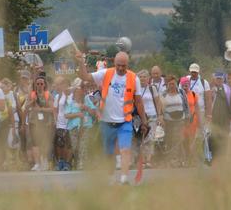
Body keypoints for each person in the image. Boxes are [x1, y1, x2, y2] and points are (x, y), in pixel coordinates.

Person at [76, 51, 148, 185]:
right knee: (109, 153)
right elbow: (85, 76)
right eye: (118, 65)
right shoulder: (106, 74)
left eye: (124, 66)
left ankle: (124, 179)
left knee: (125, 149)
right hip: (106, 121)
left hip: (125, 121)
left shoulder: (134, 78)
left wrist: (144, 121)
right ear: (114, 63)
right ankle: (110, 178)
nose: (121, 68)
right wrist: (81, 62)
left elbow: (138, 102)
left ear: (128, 64)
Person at [25, 76, 55, 171]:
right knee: (35, 143)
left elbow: (52, 109)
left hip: (45, 122)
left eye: (41, 83)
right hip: (34, 121)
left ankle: (44, 161)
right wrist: (32, 102)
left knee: (44, 142)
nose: (39, 85)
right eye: (37, 84)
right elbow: (26, 107)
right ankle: (37, 163)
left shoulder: (48, 95)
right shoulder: (31, 94)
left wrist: (41, 109)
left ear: (44, 84)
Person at [137, 70, 163, 168]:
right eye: (140, 77)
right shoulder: (136, 89)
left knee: (150, 139)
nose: (142, 79)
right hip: (140, 117)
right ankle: (142, 160)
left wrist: (159, 115)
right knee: (142, 139)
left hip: (152, 115)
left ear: (148, 78)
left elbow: (157, 102)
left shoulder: (152, 88)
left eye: (144, 77)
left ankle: (148, 160)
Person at [161, 75, 189, 166]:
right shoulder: (164, 94)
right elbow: (161, 108)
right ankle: (170, 159)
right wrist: (161, 118)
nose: (172, 86)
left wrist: (187, 117)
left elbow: (186, 105)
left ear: (176, 84)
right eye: (169, 84)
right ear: (167, 85)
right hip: (168, 120)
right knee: (169, 139)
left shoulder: (181, 93)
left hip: (180, 119)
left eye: (173, 84)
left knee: (177, 139)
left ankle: (176, 159)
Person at [208, 71, 231, 162]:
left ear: (223, 80)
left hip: (225, 119)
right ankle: (214, 157)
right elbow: (207, 102)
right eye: (217, 79)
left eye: (220, 79)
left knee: (224, 139)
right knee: (214, 138)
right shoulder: (210, 88)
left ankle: (223, 158)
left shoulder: (227, 90)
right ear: (214, 79)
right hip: (214, 119)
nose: (219, 80)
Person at [53, 77, 72, 171]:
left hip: (70, 122)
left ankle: (67, 163)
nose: (61, 86)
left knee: (68, 143)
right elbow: (55, 109)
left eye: (64, 84)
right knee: (60, 143)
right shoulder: (58, 96)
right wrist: (56, 119)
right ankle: (61, 161)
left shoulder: (72, 95)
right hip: (60, 123)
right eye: (60, 84)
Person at [187, 63, 212, 134]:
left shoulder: (204, 82)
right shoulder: (185, 81)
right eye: (192, 72)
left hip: (201, 111)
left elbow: (208, 99)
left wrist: (209, 114)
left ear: (198, 72)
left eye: (195, 72)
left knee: (200, 132)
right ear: (190, 71)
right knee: (189, 131)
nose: (194, 73)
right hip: (188, 111)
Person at [180, 76, 198, 165]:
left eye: (186, 85)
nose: (185, 86)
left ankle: (191, 159)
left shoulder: (194, 94)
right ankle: (185, 158)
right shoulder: (179, 95)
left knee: (192, 140)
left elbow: (197, 107)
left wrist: (200, 120)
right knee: (183, 140)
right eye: (183, 85)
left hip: (193, 121)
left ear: (189, 85)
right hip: (183, 121)